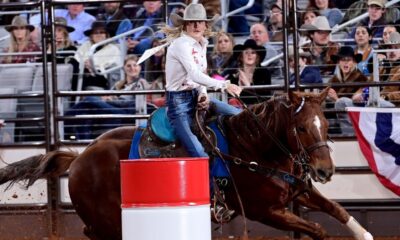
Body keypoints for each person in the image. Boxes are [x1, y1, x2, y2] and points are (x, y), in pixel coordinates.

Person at [162, 2, 242, 158]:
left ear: (205, 25)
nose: (196, 25)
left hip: (194, 96)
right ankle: (209, 182)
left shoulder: (201, 44)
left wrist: (203, 93)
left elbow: (200, 73)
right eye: (191, 22)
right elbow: (195, 74)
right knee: (199, 153)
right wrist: (224, 85)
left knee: (238, 115)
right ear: (185, 25)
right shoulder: (180, 44)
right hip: (178, 105)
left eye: (199, 22)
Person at [65, 55, 155, 139]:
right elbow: (110, 95)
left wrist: (109, 99)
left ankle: (64, 122)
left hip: (126, 112)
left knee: (89, 99)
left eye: (135, 65)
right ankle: (84, 141)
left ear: (140, 68)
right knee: (86, 111)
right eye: (128, 66)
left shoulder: (141, 83)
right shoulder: (119, 84)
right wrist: (108, 98)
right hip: (113, 107)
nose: (132, 68)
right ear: (124, 68)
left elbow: (126, 103)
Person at [327, 46, 370, 135]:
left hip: (354, 121)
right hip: (334, 120)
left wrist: (336, 99)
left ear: (354, 62)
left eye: (349, 60)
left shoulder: (362, 79)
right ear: (338, 62)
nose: (345, 62)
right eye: (343, 60)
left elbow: (360, 103)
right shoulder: (333, 80)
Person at [72, 21, 122, 90]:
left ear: (106, 35)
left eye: (102, 32)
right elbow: (77, 58)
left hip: (101, 76)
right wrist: (85, 65)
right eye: (95, 33)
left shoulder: (113, 49)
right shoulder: (85, 45)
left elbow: (113, 66)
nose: (99, 35)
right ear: (91, 36)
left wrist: (93, 66)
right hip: (82, 72)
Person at [222, 39, 271, 104]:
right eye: (246, 52)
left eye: (253, 53)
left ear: (257, 57)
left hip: (259, 109)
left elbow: (266, 98)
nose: (249, 55)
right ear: (241, 57)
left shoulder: (264, 73)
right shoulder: (233, 75)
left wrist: (248, 85)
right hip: (238, 110)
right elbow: (230, 97)